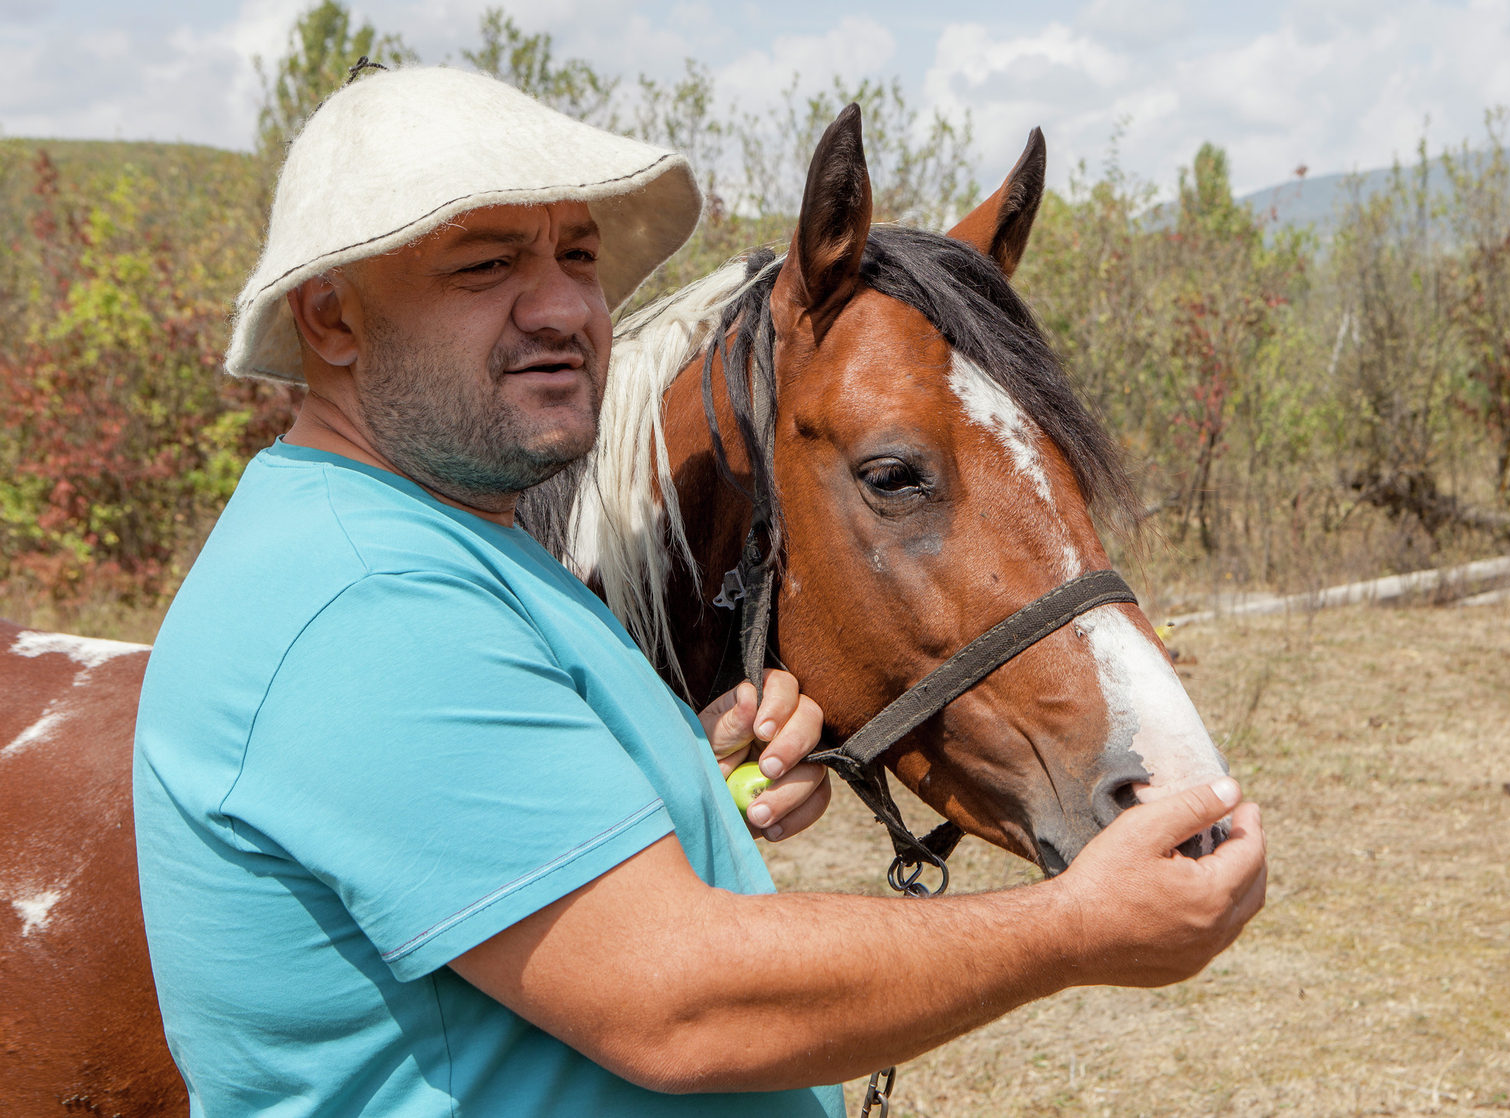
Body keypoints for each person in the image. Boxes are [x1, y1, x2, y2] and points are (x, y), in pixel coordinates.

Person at [133, 65, 1266, 1118]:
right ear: (332, 319)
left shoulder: (453, 545)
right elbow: (677, 1002)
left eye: (577, 257)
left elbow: (480, 880)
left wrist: (685, 783)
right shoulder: (367, 603)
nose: (564, 308)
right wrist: (1074, 926)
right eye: (486, 265)